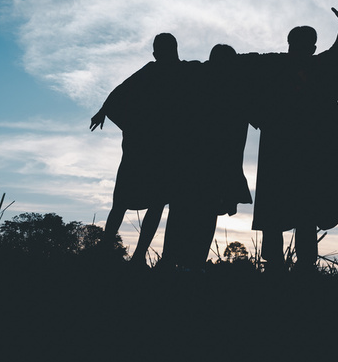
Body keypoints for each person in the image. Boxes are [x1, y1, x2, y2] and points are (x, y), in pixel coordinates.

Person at [245, 0, 338, 272]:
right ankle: (288, 265)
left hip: (301, 151)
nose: (302, 48)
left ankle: (299, 265)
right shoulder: (274, 66)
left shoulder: (289, 66)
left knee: (299, 210)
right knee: (292, 210)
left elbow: (337, 55)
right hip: (286, 149)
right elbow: (242, 80)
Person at [91, 33, 198, 266]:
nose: (157, 54)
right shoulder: (154, 70)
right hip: (143, 147)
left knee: (156, 201)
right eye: (157, 50)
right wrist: (104, 111)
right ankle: (109, 250)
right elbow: (119, 91)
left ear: (170, 50)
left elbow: (119, 91)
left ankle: (137, 255)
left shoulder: (185, 71)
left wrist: (107, 112)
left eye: (161, 50)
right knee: (124, 202)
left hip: (161, 149)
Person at [160, 44, 253, 269]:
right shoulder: (234, 88)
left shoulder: (196, 76)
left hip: (192, 160)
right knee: (201, 212)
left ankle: (173, 260)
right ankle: (189, 261)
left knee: (184, 210)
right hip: (211, 163)